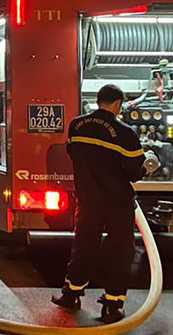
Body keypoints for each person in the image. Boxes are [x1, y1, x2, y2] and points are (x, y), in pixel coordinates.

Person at [51, 84, 147, 324]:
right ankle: (113, 305)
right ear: (117, 104)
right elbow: (135, 171)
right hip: (118, 203)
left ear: (98, 101)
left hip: (88, 199)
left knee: (83, 245)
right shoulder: (124, 132)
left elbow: (73, 153)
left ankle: (71, 293)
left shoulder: (77, 125)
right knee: (120, 251)